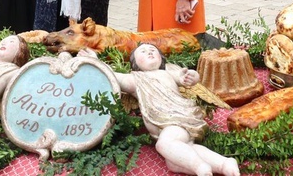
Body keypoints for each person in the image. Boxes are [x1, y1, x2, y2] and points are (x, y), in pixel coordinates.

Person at [80, 45, 240, 176]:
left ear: (161, 58)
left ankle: (201, 168)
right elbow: (112, 76)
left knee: (165, 144)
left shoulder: (167, 71)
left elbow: (185, 76)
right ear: (135, 63)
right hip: (166, 126)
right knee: (176, 159)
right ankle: (224, 164)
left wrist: (192, 76)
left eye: (152, 50)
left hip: (178, 119)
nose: (149, 52)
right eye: (142, 51)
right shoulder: (135, 79)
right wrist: (96, 61)